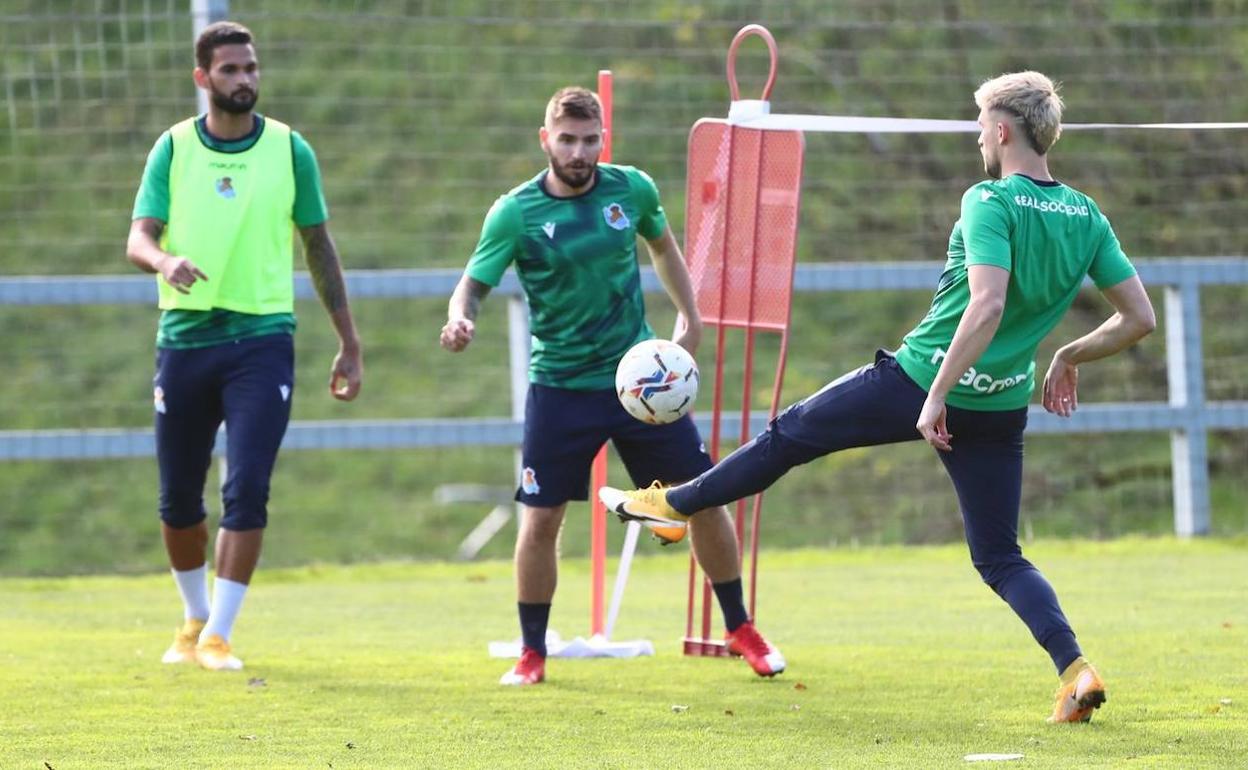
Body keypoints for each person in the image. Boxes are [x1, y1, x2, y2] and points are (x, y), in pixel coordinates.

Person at [602, 71, 1156, 723]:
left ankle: (673, 505)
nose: (978, 137)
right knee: (1001, 557)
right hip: (1002, 403)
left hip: (920, 379)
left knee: (789, 435)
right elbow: (1139, 317)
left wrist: (936, 394)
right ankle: (1075, 670)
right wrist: (1068, 354)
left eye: (982, 125)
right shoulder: (1087, 215)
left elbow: (987, 303)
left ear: (1004, 131)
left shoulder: (989, 199)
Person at [440, 86, 785, 686]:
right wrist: (460, 318)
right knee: (540, 519)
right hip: (560, 387)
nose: (578, 152)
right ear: (545, 140)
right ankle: (532, 652)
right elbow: (473, 283)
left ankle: (739, 627)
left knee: (704, 497)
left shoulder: (632, 189)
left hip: (640, 384)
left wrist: (691, 317)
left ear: (603, 139)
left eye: (589, 140)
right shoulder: (516, 212)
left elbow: (663, 248)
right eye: (567, 140)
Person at [126, 21, 362, 671]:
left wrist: (348, 340)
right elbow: (138, 238)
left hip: (262, 339)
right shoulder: (174, 148)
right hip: (186, 338)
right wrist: (164, 261)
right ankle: (193, 617)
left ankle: (219, 636)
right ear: (203, 78)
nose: (244, 79)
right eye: (229, 70)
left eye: (251, 67)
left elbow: (318, 246)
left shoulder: (290, 149)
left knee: (249, 486)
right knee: (178, 498)